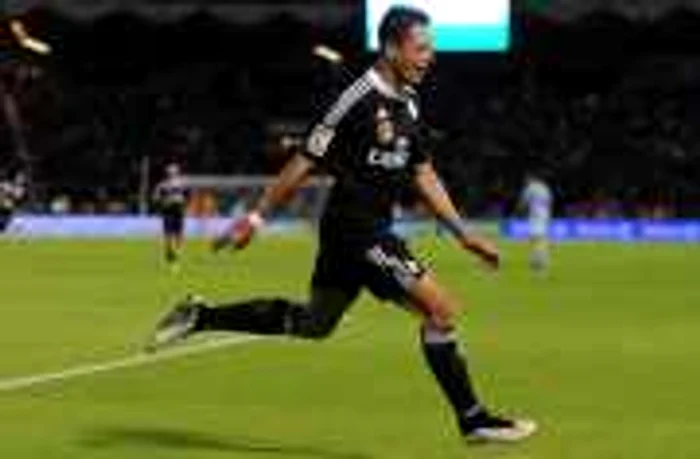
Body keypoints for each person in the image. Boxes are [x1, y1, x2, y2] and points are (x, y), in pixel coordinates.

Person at [147, 6, 537, 443]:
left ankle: (200, 316)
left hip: (359, 232)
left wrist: (464, 234)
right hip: (358, 230)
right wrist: (255, 217)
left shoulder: (408, 101)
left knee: (315, 323)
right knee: (441, 310)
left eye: (431, 48)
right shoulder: (355, 98)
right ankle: (473, 418)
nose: (429, 57)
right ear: (391, 48)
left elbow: (422, 171)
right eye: (421, 48)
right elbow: (304, 160)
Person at [153, 163, 187, 268]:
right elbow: (155, 198)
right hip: (168, 211)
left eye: (174, 172)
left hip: (178, 210)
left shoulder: (182, 184)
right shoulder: (162, 185)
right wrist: (163, 202)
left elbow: (187, 196)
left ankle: (177, 254)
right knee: (168, 234)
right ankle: (169, 250)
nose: (172, 174)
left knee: (179, 234)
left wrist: (182, 202)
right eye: (170, 173)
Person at [519, 172, 553, 273]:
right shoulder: (544, 187)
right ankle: (539, 260)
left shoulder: (531, 187)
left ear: (530, 179)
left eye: (526, 180)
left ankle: (538, 261)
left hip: (535, 215)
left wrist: (520, 211)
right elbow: (549, 201)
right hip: (545, 214)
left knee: (535, 239)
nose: (525, 182)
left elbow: (524, 201)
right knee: (541, 238)